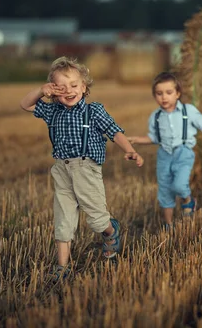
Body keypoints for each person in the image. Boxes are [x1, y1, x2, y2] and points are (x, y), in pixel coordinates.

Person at [20, 56, 143, 282]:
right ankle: (62, 267)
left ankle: (110, 231)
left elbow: (114, 131)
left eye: (74, 85)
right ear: (53, 91)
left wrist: (129, 149)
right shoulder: (52, 111)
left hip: (86, 169)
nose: (68, 91)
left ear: (84, 87)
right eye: (61, 87)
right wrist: (40, 90)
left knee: (96, 219)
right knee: (63, 220)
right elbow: (25, 104)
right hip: (62, 170)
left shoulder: (93, 111)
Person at [127, 72, 202, 228]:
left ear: (177, 94)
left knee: (179, 185)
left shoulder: (188, 111)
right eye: (159, 93)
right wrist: (136, 140)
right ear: (154, 96)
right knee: (165, 190)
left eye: (169, 93)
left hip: (183, 153)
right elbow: (154, 138)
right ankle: (168, 225)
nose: (164, 97)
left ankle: (188, 201)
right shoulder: (155, 117)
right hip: (164, 155)